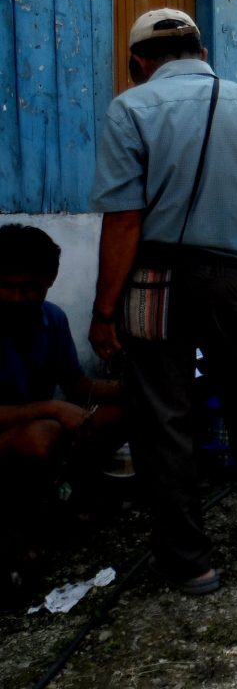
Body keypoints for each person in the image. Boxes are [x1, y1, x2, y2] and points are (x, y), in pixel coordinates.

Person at [89, 8, 237, 596]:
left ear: (139, 62)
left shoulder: (130, 109)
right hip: (235, 280)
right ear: (202, 55)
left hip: (153, 281)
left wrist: (104, 311)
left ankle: (190, 561)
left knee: (163, 414)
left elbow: (125, 221)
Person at [0, 224, 125, 605]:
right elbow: (59, 404)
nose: (18, 297)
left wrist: (135, 386)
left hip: (42, 432)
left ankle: (75, 502)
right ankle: (18, 534)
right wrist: (52, 407)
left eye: (30, 288)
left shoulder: (52, 319)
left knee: (127, 411)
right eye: (8, 285)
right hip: (17, 439)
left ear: (50, 281)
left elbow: (77, 385)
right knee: (42, 436)